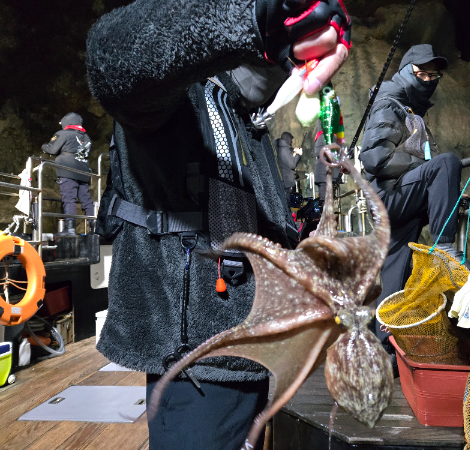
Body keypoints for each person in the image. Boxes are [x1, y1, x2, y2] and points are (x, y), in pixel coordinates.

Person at [85, 1, 351, 449]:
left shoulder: (247, 119)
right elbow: (111, 56)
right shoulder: (179, 98)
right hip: (196, 370)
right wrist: (252, 16)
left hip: (253, 357)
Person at [359, 44, 465, 351]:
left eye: (434, 76)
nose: (428, 80)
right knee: (446, 163)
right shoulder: (389, 103)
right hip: (390, 195)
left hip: (391, 201)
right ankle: (444, 251)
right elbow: (375, 159)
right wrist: (427, 170)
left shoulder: (409, 108)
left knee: (393, 274)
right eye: (422, 74)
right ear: (407, 72)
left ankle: (382, 349)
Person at [42, 112, 95, 235]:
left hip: (67, 170)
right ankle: (94, 228)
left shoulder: (63, 134)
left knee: (69, 198)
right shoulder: (86, 137)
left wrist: (43, 147)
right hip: (83, 170)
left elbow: (52, 149)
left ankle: (70, 228)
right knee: (86, 200)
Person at [313, 119, 341, 200]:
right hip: (325, 174)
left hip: (323, 174)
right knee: (326, 201)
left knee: (325, 200)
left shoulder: (320, 136)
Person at [274, 131, 302, 196]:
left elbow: (287, 161)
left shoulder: (282, 148)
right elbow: (292, 165)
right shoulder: (284, 150)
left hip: (286, 181)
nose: (291, 142)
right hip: (287, 183)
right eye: (291, 141)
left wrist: (294, 153)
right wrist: (298, 155)